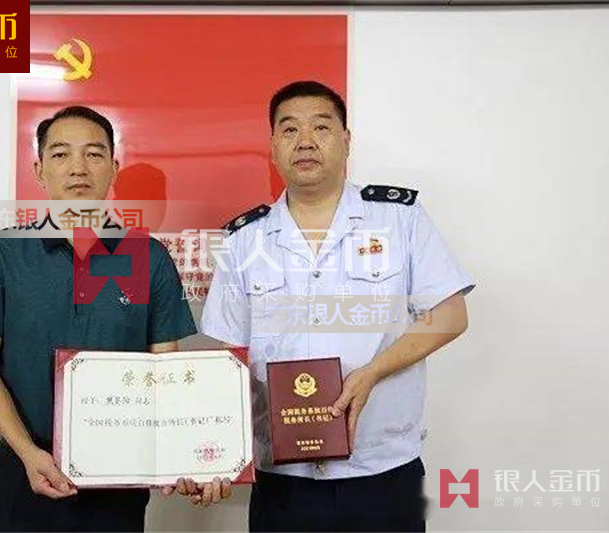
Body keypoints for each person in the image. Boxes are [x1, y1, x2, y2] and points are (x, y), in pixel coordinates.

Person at [200, 81, 475, 531]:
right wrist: (211, 450)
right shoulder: (243, 240)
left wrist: (373, 372)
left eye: (321, 127)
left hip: (383, 471)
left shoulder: (399, 218)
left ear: (347, 140)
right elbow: (228, 358)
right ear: (273, 146)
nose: (305, 141)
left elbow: (449, 314)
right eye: (289, 129)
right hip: (284, 481)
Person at [0, 105, 199, 532]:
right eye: (61, 154)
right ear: (39, 169)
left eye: (94, 154)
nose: (78, 167)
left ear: (114, 168)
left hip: (118, 471)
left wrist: (184, 454)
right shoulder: (3, 251)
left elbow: (166, 372)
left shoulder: (150, 256)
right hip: (24, 465)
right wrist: (27, 451)